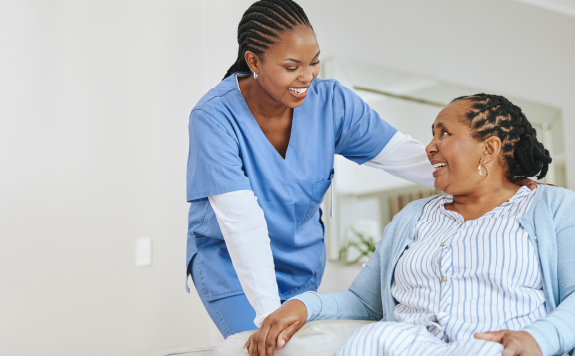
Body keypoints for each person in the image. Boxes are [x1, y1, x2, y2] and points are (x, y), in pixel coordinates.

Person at [185, 0, 537, 338]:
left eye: (314, 62)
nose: (307, 76)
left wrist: (496, 178)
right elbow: (241, 222)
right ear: (254, 61)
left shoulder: (331, 103)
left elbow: (401, 155)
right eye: (292, 66)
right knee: (268, 345)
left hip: (301, 265)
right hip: (230, 264)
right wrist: (267, 318)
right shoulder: (214, 118)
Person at [245, 94, 575, 356]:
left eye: (444, 133)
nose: (430, 147)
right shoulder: (412, 217)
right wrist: (303, 306)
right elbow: (364, 300)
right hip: (403, 346)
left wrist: (540, 339)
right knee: (372, 340)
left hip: (493, 346)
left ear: (489, 148)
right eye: (432, 135)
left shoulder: (552, 206)